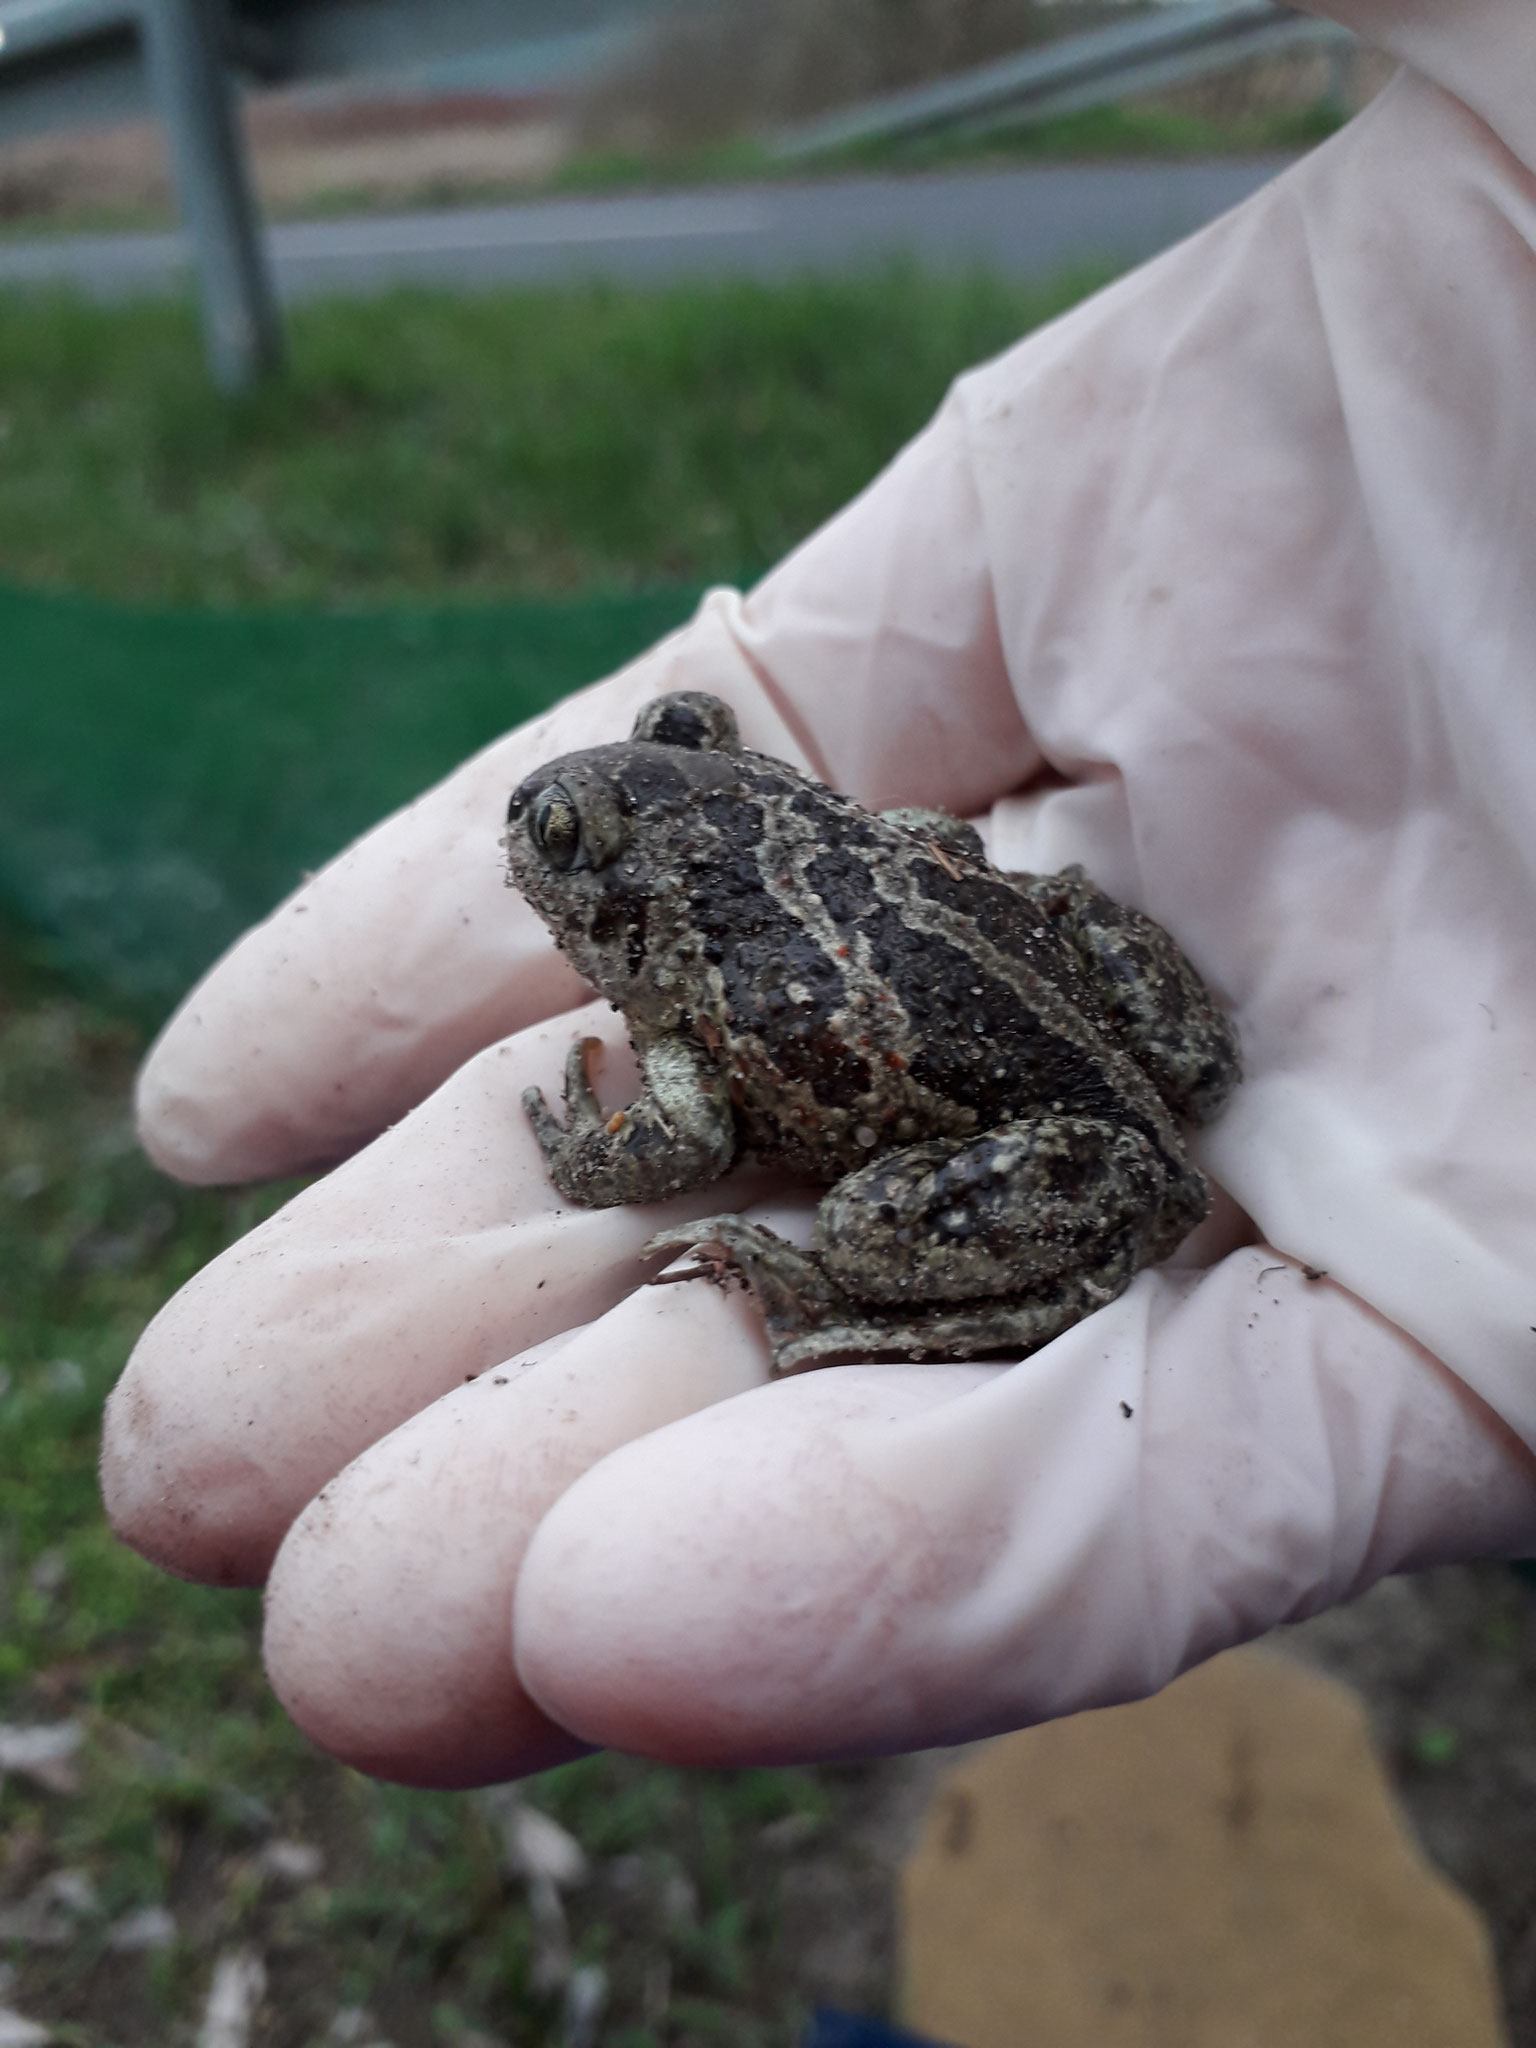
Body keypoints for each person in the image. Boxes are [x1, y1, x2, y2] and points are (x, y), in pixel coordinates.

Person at [102, 0, 1536, 1790]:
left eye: (591, 843)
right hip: (1065, 1028)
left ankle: (901, 1283)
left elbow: (681, 1131)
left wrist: (597, 1147)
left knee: (833, 1242)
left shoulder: (690, 1005)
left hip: (1041, 1134)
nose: (572, 830)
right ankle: (1092, 1135)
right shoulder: (764, 886)